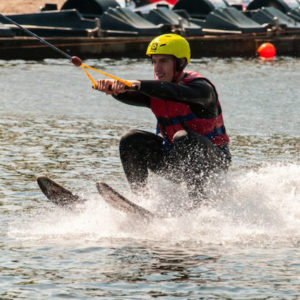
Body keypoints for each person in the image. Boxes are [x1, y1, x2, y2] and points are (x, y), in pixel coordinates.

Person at [95, 33, 231, 206]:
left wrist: (137, 84)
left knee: (183, 138)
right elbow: (132, 94)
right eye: (154, 61)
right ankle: (142, 202)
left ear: (180, 63)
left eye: (163, 61)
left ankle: (198, 207)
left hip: (212, 164)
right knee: (131, 139)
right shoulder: (155, 91)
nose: (157, 68)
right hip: (176, 162)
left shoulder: (202, 89)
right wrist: (113, 89)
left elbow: (173, 92)